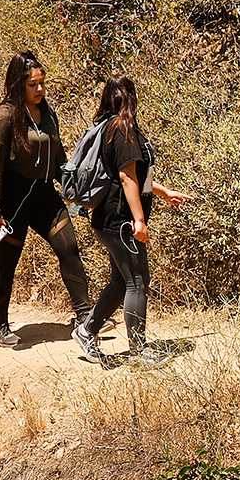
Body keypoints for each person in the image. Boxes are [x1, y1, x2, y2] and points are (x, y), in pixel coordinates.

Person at [74, 76, 194, 367]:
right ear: (130, 98)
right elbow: (127, 178)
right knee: (138, 281)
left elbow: (132, 175)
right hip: (120, 221)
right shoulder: (123, 129)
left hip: (109, 219)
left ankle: (86, 330)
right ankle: (139, 350)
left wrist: (164, 193)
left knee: (122, 281)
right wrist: (139, 221)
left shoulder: (108, 127)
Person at [0, 52, 93, 349]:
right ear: (19, 85)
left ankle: (85, 316)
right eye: (34, 85)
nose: (40, 90)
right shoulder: (4, 117)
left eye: (42, 83)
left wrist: (75, 192)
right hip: (13, 200)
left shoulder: (48, 113)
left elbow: (59, 161)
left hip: (44, 194)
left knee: (68, 246)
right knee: (7, 261)